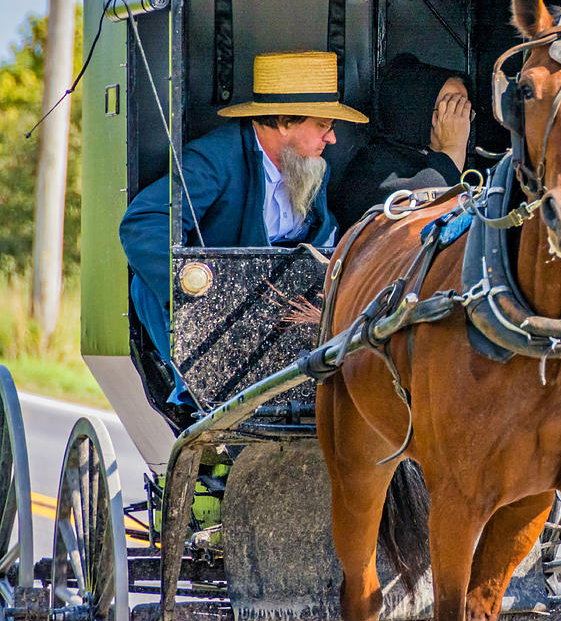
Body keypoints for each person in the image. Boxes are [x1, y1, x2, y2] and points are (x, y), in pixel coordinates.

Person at [120, 50, 368, 402]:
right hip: (220, 318)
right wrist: (202, 291)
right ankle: (193, 396)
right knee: (145, 288)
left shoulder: (308, 166)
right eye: (322, 126)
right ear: (284, 121)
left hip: (293, 314)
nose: (332, 139)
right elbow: (143, 223)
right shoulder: (214, 159)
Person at [331, 53, 472, 232]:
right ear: (414, 112)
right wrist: (453, 150)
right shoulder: (372, 171)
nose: (461, 122)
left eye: (464, 110)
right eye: (450, 109)